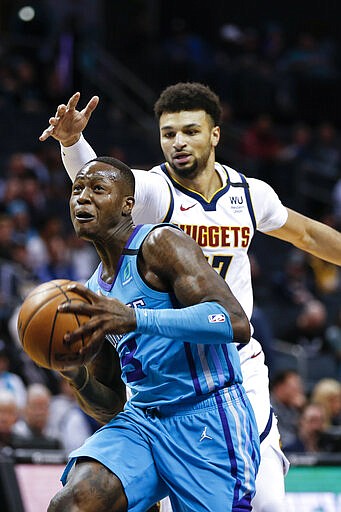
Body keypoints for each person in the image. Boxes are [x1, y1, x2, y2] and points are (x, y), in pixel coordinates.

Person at [39, 82, 341, 511]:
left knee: (267, 501)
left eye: (190, 131)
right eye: (168, 133)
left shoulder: (249, 194)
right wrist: (73, 143)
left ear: (214, 134)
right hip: (163, 369)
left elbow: (308, 233)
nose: (178, 142)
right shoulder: (155, 192)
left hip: (230, 361)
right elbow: (101, 184)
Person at [46, 156, 260, 511]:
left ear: (128, 204)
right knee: (72, 504)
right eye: (77, 189)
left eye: (98, 189)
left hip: (207, 417)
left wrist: (135, 319)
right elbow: (112, 403)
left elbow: (235, 322)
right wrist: (76, 377)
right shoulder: (93, 292)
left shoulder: (160, 243)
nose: (82, 197)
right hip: (143, 418)